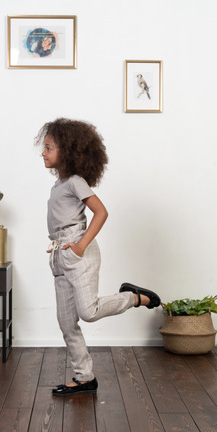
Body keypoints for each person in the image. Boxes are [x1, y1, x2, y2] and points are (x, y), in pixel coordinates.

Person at [35, 118, 160, 397]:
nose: (43, 152)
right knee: (66, 322)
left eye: (49, 147)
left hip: (78, 252)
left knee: (88, 312)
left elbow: (100, 212)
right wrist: (62, 246)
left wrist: (79, 246)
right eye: (43, 147)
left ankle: (132, 297)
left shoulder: (76, 182)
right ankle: (84, 377)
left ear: (67, 151)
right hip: (59, 253)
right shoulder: (59, 184)